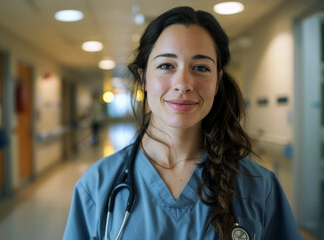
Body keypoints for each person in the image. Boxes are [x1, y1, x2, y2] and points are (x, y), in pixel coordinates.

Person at [63, 6, 301, 240]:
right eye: (166, 66)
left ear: (217, 81)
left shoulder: (258, 187)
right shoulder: (97, 186)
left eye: (200, 67)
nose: (183, 83)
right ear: (143, 77)